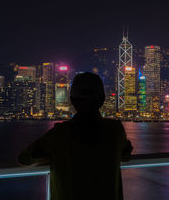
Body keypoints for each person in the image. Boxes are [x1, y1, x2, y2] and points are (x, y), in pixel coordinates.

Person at [18, 72, 133, 200]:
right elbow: (125, 154)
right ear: (102, 100)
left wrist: (55, 157)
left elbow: (25, 158)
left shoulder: (59, 134)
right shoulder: (115, 130)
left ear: (72, 100)